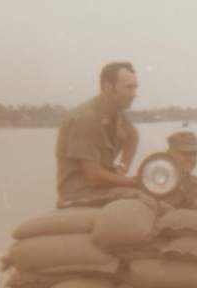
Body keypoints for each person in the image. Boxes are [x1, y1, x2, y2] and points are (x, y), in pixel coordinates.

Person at [55, 62, 140, 206]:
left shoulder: (116, 113)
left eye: (135, 88)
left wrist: (122, 168)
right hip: (78, 193)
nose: (134, 94)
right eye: (128, 88)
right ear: (107, 87)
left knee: (157, 194)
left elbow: (133, 137)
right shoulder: (85, 119)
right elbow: (93, 177)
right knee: (144, 197)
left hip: (102, 189)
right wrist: (131, 182)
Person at [161, 130, 197, 209]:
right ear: (170, 153)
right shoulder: (155, 179)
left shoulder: (194, 183)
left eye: (195, 154)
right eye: (185, 154)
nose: (192, 159)